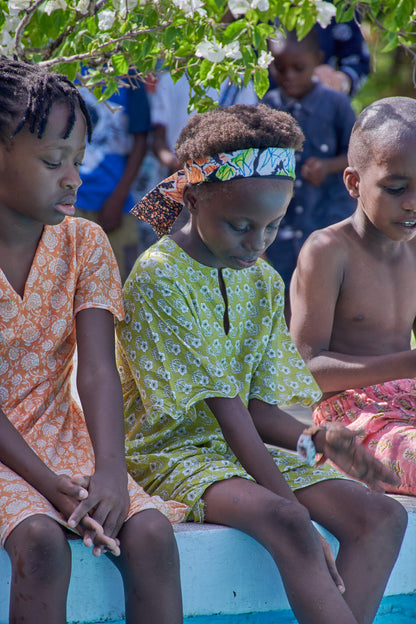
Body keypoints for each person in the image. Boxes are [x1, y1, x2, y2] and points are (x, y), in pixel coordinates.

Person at [116, 103, 407, 624]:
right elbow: (227, 414)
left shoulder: (260, 278)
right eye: (240, 226)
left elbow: (256, 406)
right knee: (288, 523)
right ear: (195, 196)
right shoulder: (160, 278)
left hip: (237, 450)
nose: (257, 244)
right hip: (169, 454)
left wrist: (312, 440)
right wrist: (292, 507)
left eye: (272, 227)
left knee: (381, 516)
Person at [0, 56, 187, 624]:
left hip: (62, 435)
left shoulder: (84, 243)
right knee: (39, 543)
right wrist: (51, 489)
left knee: (150, 533)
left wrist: (110, 472)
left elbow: (97, 370)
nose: (74, 178)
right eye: (54, 161)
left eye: (78, 161)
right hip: (11, 452)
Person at [290, 95, 416, 497]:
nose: (413, 202)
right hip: (352, 416)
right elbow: (307, 369)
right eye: (396, 188)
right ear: (353, 182)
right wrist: (406, 364)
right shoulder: (327, 251)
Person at [262, 28, 356, 309]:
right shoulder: (267, 107)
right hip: (283, 229)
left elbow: (357, 156)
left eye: (298, 68)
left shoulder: (337, 104)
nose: (289, 75)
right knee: (286, 299)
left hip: (328, 218)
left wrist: (327, 166)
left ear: (318, 59)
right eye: (280, 68)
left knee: (331, 296)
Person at [75, 70, 151, 281]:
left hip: (116, 205)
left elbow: (141, 140)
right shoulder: (62, 61)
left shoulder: (129, 73)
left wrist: (117, 200)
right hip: (69, 201)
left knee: (119, 286)